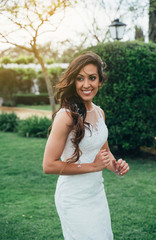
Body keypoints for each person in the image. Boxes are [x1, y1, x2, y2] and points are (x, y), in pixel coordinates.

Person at [43, 52, 130, 240]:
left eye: (92, 78)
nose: (86, 84)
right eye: (80, 78)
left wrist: (116, 166)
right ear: (73, 82)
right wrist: (92, 166)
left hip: (96, 193)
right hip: (73, 198)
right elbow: (49, 165)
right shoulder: (66, 116)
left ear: (100, 81)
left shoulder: (99, 113)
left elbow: (103, 151)